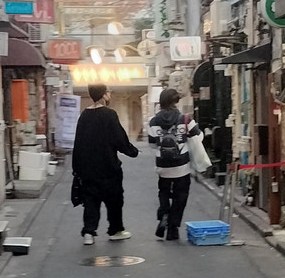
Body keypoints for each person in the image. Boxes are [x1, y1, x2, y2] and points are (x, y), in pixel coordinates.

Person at [71, 83, 139, 245]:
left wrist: (77, 169)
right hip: (108, 167)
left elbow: (78, 143)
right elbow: (119, 139)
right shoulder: (109, 115)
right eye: (108, 91)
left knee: (90, 201)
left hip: (87, 169)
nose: (110, 94)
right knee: (114, 200)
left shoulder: (84, 116)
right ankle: (115, 230)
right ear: (103, 95)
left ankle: (89, 232)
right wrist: (132, 151)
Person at [148, 88, 202, 241]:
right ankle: (173, 228)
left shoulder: (153, 121)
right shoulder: (184, 119)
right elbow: (197, 136)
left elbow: (152, 144)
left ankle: (164, 212)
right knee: (181, 196)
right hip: (181, 165)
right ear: (175, 101)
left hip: (162, 165)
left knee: (163, 191)